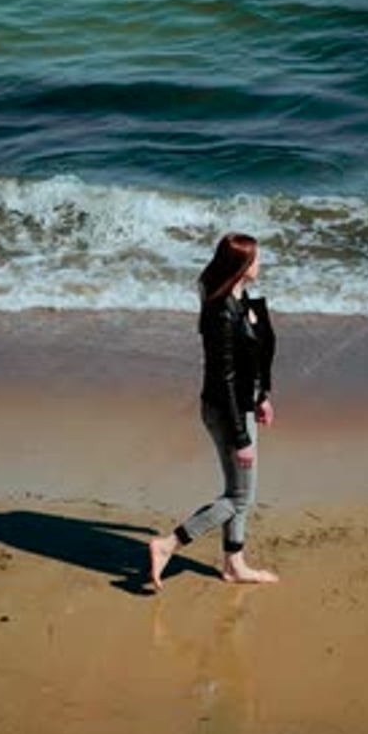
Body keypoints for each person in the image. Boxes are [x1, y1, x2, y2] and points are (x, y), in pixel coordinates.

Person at [150, 232, 278, 590]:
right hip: (227, 411)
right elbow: (225, 380)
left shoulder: (241, 299)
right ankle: (168, 544)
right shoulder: (222, 312)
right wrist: (241, 436)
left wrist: (262, 396)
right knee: (239, 497)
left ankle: (234, 565)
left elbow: (255, 357)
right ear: (241, 265)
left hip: (240, 405)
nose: (261, 262)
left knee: (238, 492)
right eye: (256, 258)